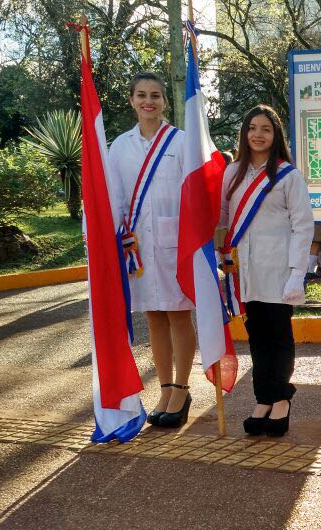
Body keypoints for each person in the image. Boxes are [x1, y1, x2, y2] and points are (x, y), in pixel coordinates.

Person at [217, 105, 313, 437]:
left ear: (276, 135)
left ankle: (281, 399)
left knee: (279, 335)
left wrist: (297, 272)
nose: (258, 134)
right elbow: (225, 220)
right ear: (245, 133)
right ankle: (263, 399)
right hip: (246, 269)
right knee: (257, 337)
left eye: (266, 129)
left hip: (280, 268)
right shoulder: (232, 172)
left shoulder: (288, 175)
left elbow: (303, 226)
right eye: (252, 128)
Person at [108, 73, 195, 429]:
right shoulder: (120, 145)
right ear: (131, 100)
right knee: (153, 318)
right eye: (142, 95)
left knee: (177, 314)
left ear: (164, 102)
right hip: (138, 247)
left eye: (156, 96)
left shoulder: (181, 141)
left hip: (176, 243)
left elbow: (195, 193)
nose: (149, 101)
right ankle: (163, 388)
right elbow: (113, 196)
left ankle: (182, 388)